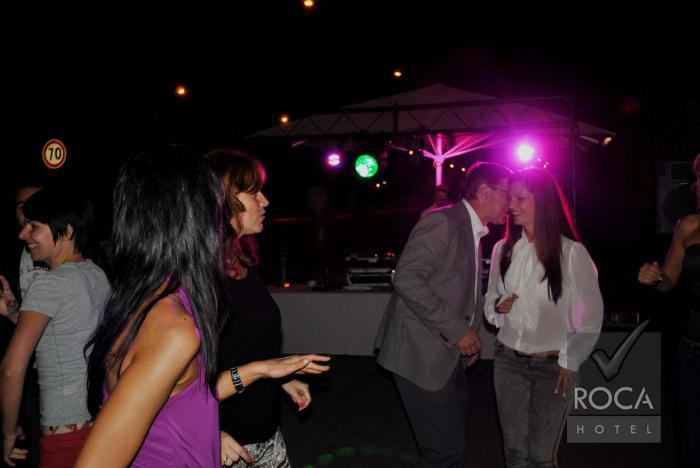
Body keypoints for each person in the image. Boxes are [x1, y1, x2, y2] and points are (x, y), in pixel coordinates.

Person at [75, 147, 329, 467]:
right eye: (215, 205)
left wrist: (264, 370)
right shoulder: (172, 325)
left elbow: (182, 400)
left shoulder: (156, 295)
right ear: (194, 218)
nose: (222, 218)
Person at [375, 162, 512, 467]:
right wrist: (458, 331)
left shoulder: (473, 230)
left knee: (448, 447)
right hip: (418, 354)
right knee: (446, 452)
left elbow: (456, 290)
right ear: (485, 191)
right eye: (507, 193)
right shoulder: (444, 222)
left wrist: (468, 337)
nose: (510, 202)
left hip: (445, 354)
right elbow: (407, 279)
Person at [205, 148, 326, 467]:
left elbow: (242, 350)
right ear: (223, 200)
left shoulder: (241, 263)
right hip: (221, 443)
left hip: (264, 434)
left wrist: (280, 377)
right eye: (253, 191)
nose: (265, 201)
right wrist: (207, 431)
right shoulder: (197, 282)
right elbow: (183, 391)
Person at [485, 167, 603, 468]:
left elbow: (592, 317)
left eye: (520, 198)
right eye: (511, 198)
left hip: (553, 367)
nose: (511, 205)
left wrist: (570, 360)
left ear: (543, 202)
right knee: (514, 454)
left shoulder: (571, 253)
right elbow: (490, 299)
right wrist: (498, 306)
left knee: (541, 457)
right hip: (508, 362)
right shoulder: (502, 249)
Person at [0, 187, 110, 467]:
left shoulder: (49, 284)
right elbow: (65, 332)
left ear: (68, 230)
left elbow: (11, 370)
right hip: (100, 427)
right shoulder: (97, 274)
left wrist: (8, 432)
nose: (23, 235)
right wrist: (15, 315)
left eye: (33, 227)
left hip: (64, 437)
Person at [638, 153, 700, 467]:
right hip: (692, 349)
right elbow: (669, 279)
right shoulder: (688, 226)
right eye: (697, 178)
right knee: (691, 442)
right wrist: (655, 277)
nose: (697, 185)